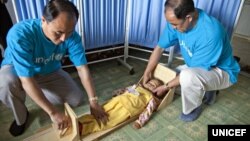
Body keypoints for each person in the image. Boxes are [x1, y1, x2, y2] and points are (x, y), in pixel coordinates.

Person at [0, 0, 108, 136]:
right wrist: (53, 112)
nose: (63, 38)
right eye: (58, 32)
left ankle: (38, 93)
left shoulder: (72, 37)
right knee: (5, 82)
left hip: (48, 70)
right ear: (44, 20)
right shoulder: (20, 34)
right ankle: (21, 117)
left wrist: (93, 101)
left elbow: (82, 69)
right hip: (17, 70)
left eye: (69, 32)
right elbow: (27, 79)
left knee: (77, 99)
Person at [143, 0, 240, 122]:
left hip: (223, 70)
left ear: (188, 18)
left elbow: (189, 72)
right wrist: (147, 72)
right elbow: (159, 48)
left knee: (187, 78)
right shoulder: (175, 20)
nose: (172, 27)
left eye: (175, 24)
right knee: (167, 74)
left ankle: (193, 109)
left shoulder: (210, 33)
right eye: (170, 23)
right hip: (199, 66)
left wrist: (166, 87)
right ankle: (207, 89)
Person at [78, 78, 164, 136]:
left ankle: (85, 128)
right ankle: (81, 120)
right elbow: (127, 90)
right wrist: (119, 91)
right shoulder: (137, 86)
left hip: (125, 110)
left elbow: (148, 111)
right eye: (149, 83)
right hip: (117, 100)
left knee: (108, 120)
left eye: (153, 86)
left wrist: (140, 122)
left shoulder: (151, 98)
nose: (150, 85)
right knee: (99, 111)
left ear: (157, 91)